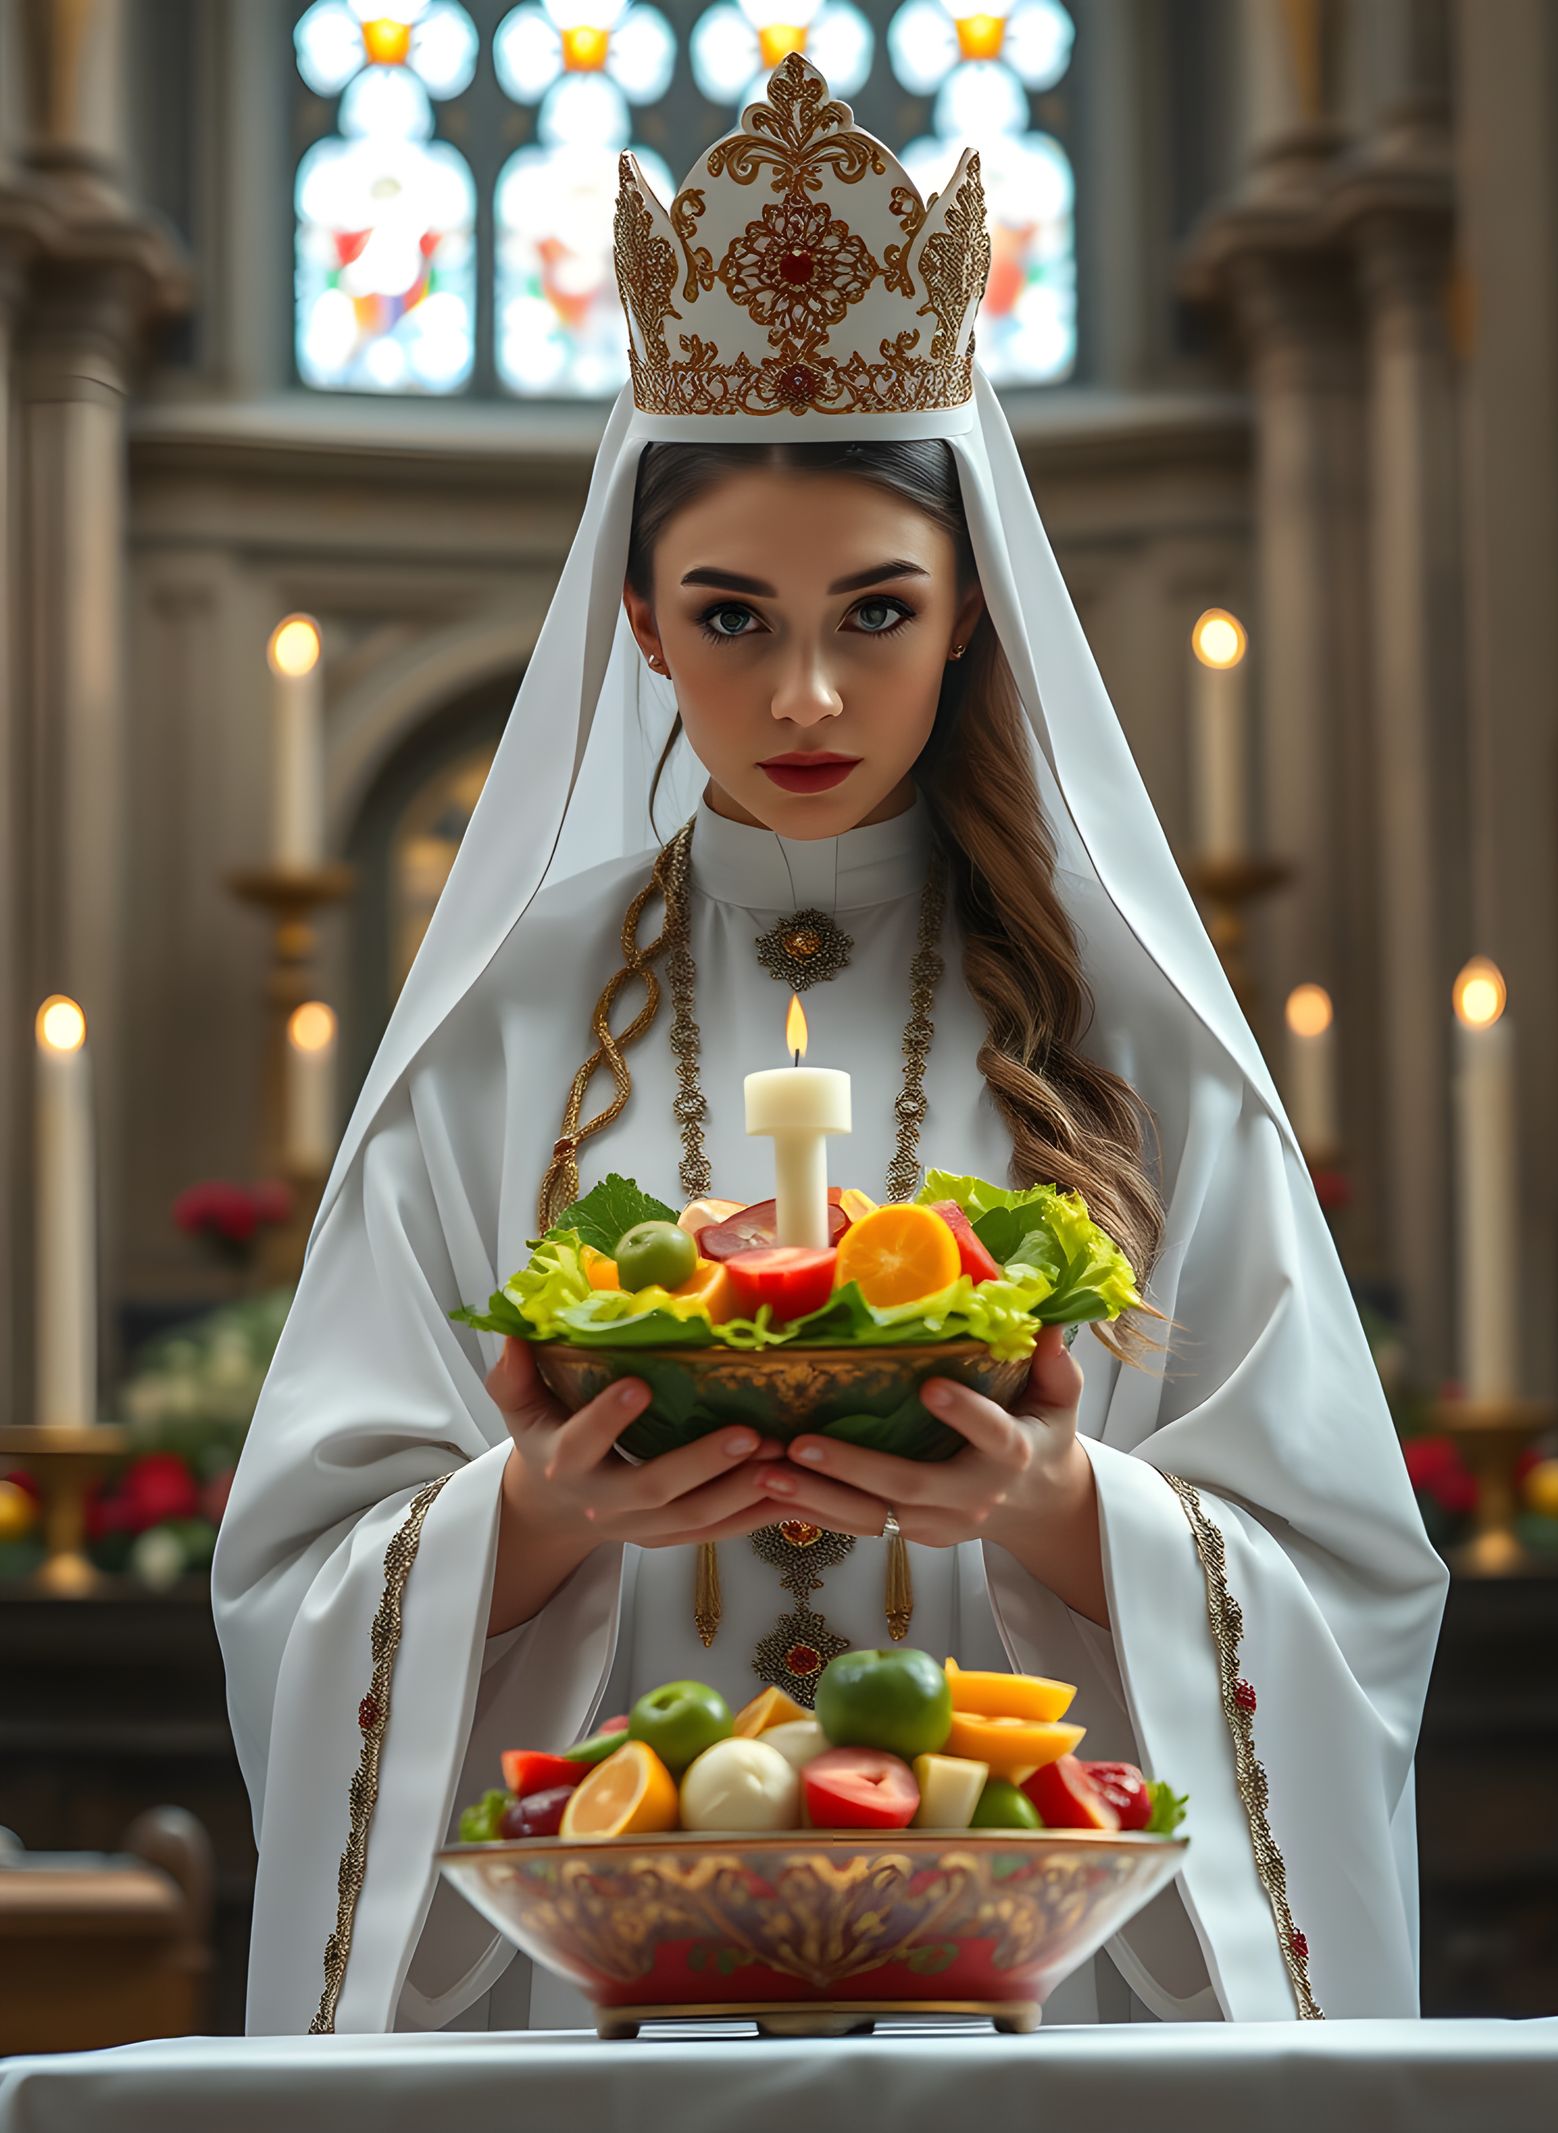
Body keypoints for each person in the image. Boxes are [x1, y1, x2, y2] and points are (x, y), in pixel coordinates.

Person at [212, 53, 1447, 2039]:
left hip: (1039, 2011)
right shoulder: (502, 1030)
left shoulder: (1131, 1028)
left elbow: (1347, 1589)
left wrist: (1055, 1505)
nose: (802, 692)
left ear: (969, 618)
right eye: (731, 617)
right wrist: (541, 1515)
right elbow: (296, 1582)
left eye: (874, 613)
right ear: (636, 622)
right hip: (605, 2010)